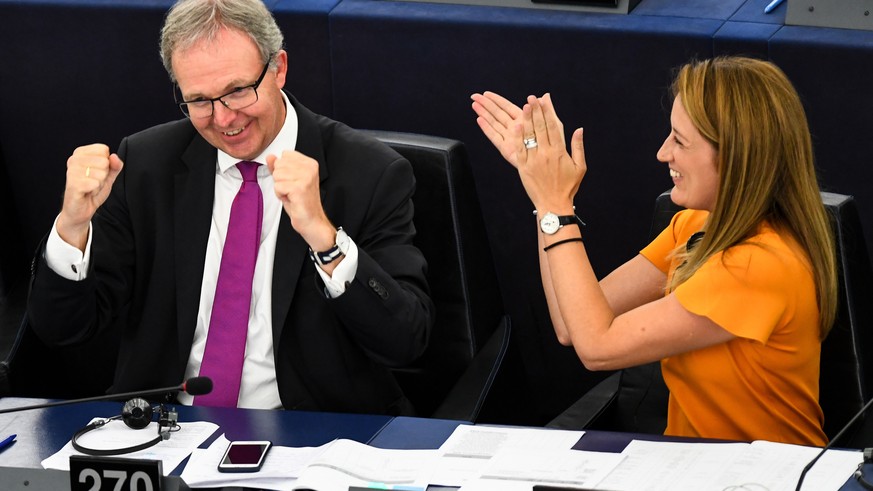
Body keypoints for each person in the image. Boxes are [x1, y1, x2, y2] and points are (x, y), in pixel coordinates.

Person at [27, 0, 434, 414]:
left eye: (238, 91)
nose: (223, 119)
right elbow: (64, 330)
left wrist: (324, 239)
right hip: (167, 431)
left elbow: (404, 342)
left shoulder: (369, 172)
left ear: (279, 69)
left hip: (312, 436)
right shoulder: (146, 164)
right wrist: (73, 225)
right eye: (199, 100)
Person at [471, 56, 837, 446]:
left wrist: (555, 204)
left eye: (679, 140)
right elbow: (569, 323)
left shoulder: (759, 263)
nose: (663, 153)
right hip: (691, 467)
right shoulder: (697, 224)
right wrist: (545, 200)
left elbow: (597, 347)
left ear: (736, 155)